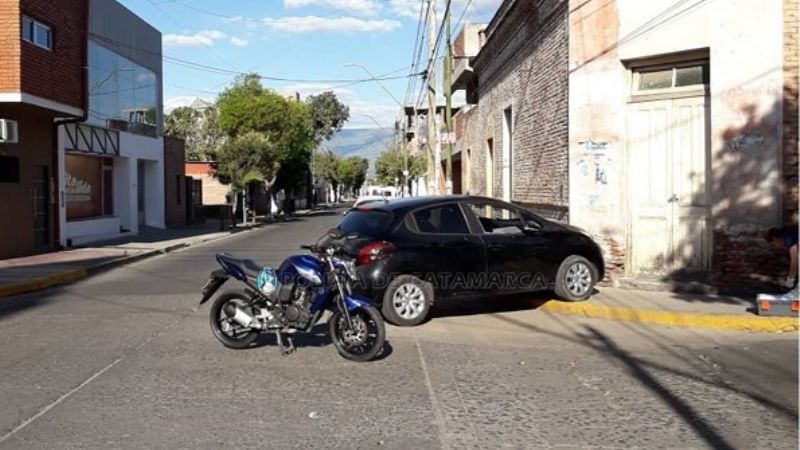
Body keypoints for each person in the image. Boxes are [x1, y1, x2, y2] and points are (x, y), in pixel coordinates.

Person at [766, 225, 798, 295]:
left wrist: (790, 281)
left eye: (774, 244)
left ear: (775, 239)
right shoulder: (787, 233)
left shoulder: (789, 238)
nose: (776, 247)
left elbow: (795, 261)